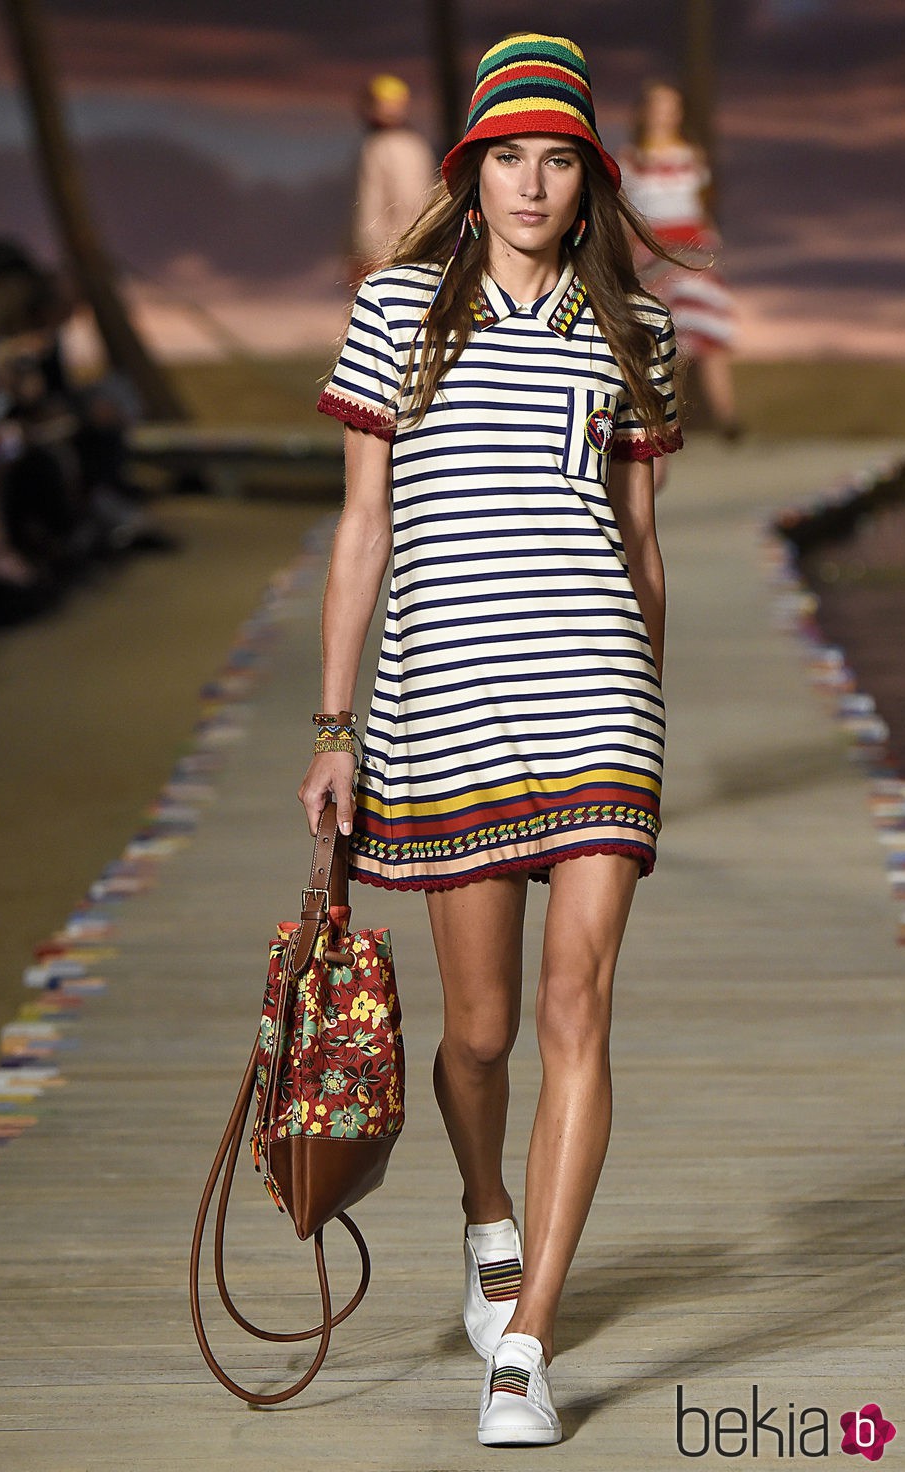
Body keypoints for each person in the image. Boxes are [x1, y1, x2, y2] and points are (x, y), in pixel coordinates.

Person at [302, 33, 682, 1448]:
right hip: (448, 700)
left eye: (560, 156)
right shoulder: (395, 308)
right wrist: (337, 724)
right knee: (480, 1035)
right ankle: (484, 1212)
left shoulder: (635, 334)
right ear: (471, 177)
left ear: (590, 181)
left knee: (580, 1007)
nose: (533, 182)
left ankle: (525, 1349)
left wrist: (654, 700)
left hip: (595, 696)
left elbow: (642, 553)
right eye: (509, 156)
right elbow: (362, 531)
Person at [619, 80, 741, 439]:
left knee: (707, 335)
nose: (666, 113)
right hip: (653, 257)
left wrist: (709, 248)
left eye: (672, 105)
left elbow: (703, 208)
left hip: (694, 254)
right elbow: (628, 215)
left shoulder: (692, 156)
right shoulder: (632, 159)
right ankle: (662, 419)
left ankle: (728, 419)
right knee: (660, 339)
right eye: (659, 104)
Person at [349, 73, 436, 284]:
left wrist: (381, 253)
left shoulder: (395, 146)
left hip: (393, 254)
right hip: (392, 251)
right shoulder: (392, 143)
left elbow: (408, 201)